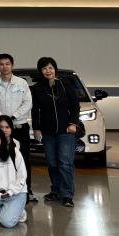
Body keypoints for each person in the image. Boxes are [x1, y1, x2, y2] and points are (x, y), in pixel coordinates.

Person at [31, 56, 80, 207]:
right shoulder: (37, 88)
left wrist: (73, 123)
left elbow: (75, 106)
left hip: (66, 131)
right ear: (40, 71)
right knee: (52, 163)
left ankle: (67, 195)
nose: (48, 71)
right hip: (47, 132)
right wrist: (36, 128)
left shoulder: (65, 84)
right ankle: (55, 191)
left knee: (65, 163)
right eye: (44, 68)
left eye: (50, 68)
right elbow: (35, 110)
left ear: (55, 69)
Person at [0, 53, 36, 201]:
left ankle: (26, 190)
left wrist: (12, 117)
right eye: (1, 64)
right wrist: (2, 119)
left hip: (19, 126)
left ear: (12, 65)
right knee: (2, 159)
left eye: (7, 64)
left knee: (23, 159)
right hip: (0, 130)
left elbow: (28, 102)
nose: (5, 67)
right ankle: (3, 190)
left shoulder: (21, 83)